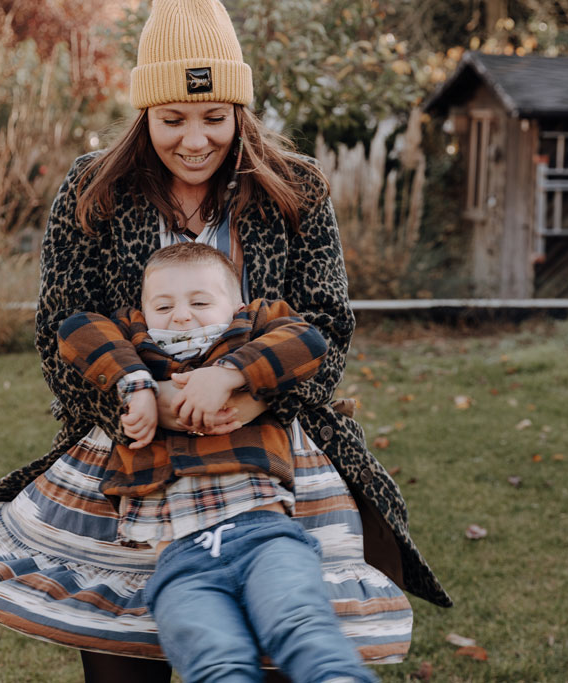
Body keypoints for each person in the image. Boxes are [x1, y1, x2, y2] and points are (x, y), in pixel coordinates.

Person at [0, 0, 451, 681]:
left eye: (213, 117)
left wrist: (246, 391)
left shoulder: (296, 188)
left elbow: (328, 323)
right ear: (145, 114)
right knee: (127, 661)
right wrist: (148, 401)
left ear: (239, 112)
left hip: (268, 453)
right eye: (172, 118)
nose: (194, 139)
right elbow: (63, 325)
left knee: (286, 638)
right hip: (132, 457)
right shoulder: (94, 189)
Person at [57, 241, 376, 681]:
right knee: (215, 660)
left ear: (236, 305)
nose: (182, 315)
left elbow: (308, 340)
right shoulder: (135, 343)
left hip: (265, 537)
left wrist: (229, 375)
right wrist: (136, 385)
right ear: (142, 311)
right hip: (179, 561)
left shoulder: (251, 328)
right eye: (163, 305)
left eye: (200, 301)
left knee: (302, 628)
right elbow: (76, 327)